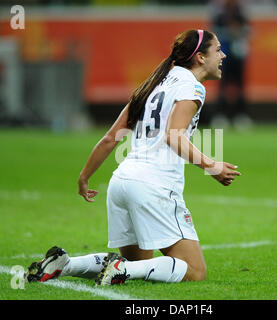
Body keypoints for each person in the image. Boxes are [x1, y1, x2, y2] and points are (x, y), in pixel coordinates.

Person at [25, 29, 241, 286]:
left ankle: (66, 264)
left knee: (138, 264)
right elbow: (173, 135)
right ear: (200, 58)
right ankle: (119, 270)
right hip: (153, 187)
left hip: (121, 183)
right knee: (195, 271)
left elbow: (109, 138)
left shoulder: (154, 84)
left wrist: (84, 177)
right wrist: (211, 165)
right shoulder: (192, 87)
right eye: (218, 50)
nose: (223, 55)